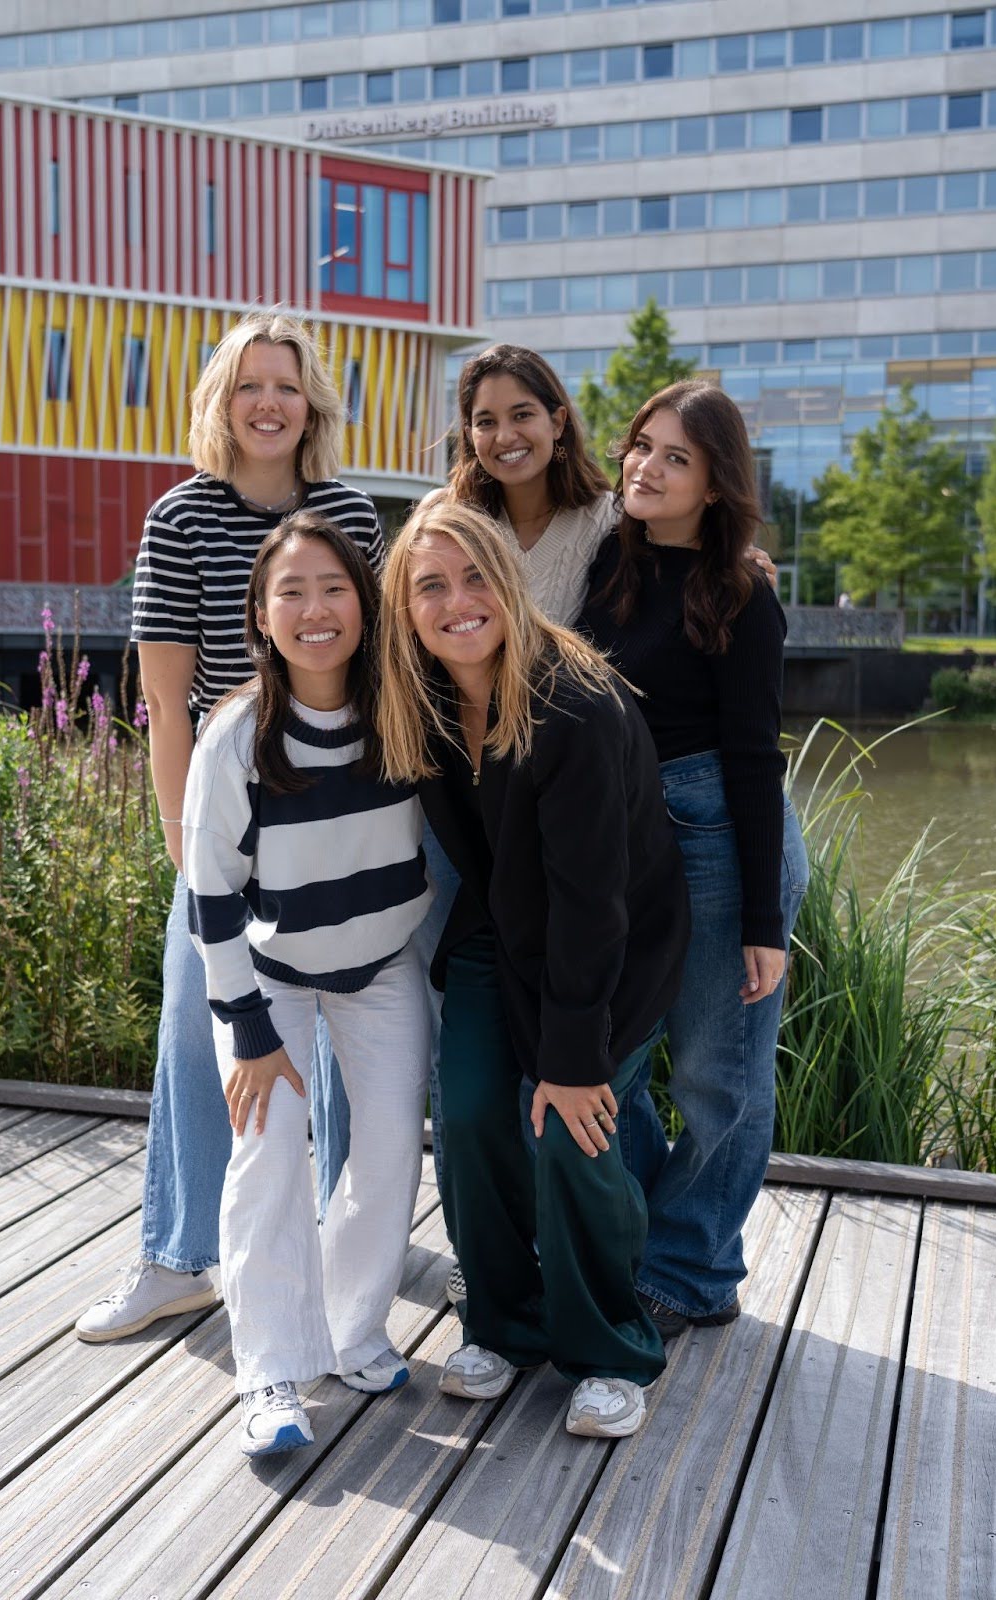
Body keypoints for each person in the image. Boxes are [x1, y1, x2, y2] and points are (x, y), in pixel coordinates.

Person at [75, 309, 388, 1343]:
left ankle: (357, 1234)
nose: (269, 402)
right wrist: (182, 839)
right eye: (250, 384)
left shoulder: (350, 511)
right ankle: (178, 1255)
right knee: (197, 1023)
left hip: (342, 807)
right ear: (222, 400)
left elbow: (380, 669)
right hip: (230, 806)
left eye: (287, 386)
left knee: (352, 1027)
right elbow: (164, 701)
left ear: (313, 406)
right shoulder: (181, 517)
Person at [377, 499, 691, 1439]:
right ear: (406, 606)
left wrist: (572, 1054)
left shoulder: (576, 706)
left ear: (509, 585)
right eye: (430, 585)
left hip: (613, 953)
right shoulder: (423, 700)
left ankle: (610, 1351)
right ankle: (505, 1326)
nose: (456, 602)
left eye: (475, 576)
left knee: (569, 1125)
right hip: (498, 932)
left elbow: (594, 907)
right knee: (469, 1108)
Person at [184, 512, 431, 1454]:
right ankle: (272, 1374)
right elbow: (208, 891)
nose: (315, 609)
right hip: (268, 977)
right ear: (260, 611)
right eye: (290, 590)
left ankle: (352, 1329)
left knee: (385, 1154)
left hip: (380, 968)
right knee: (272, 1153)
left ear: (366, 605)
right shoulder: (239, 736)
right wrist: (247, 1026)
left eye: (334, 588)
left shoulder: (406, 709)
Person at [578, 380, 810, 1340]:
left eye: (678, 458)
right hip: (624, 836)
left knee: (719, 1075)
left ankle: (694, 1269)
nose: (648, 467)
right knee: (608, 1063)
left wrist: (764, 922)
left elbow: (757, 754)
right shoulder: (607, 562)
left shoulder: (742, 591)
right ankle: (643, 1236)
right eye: (641, 447)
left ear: (717, 484)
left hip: (719, 834)